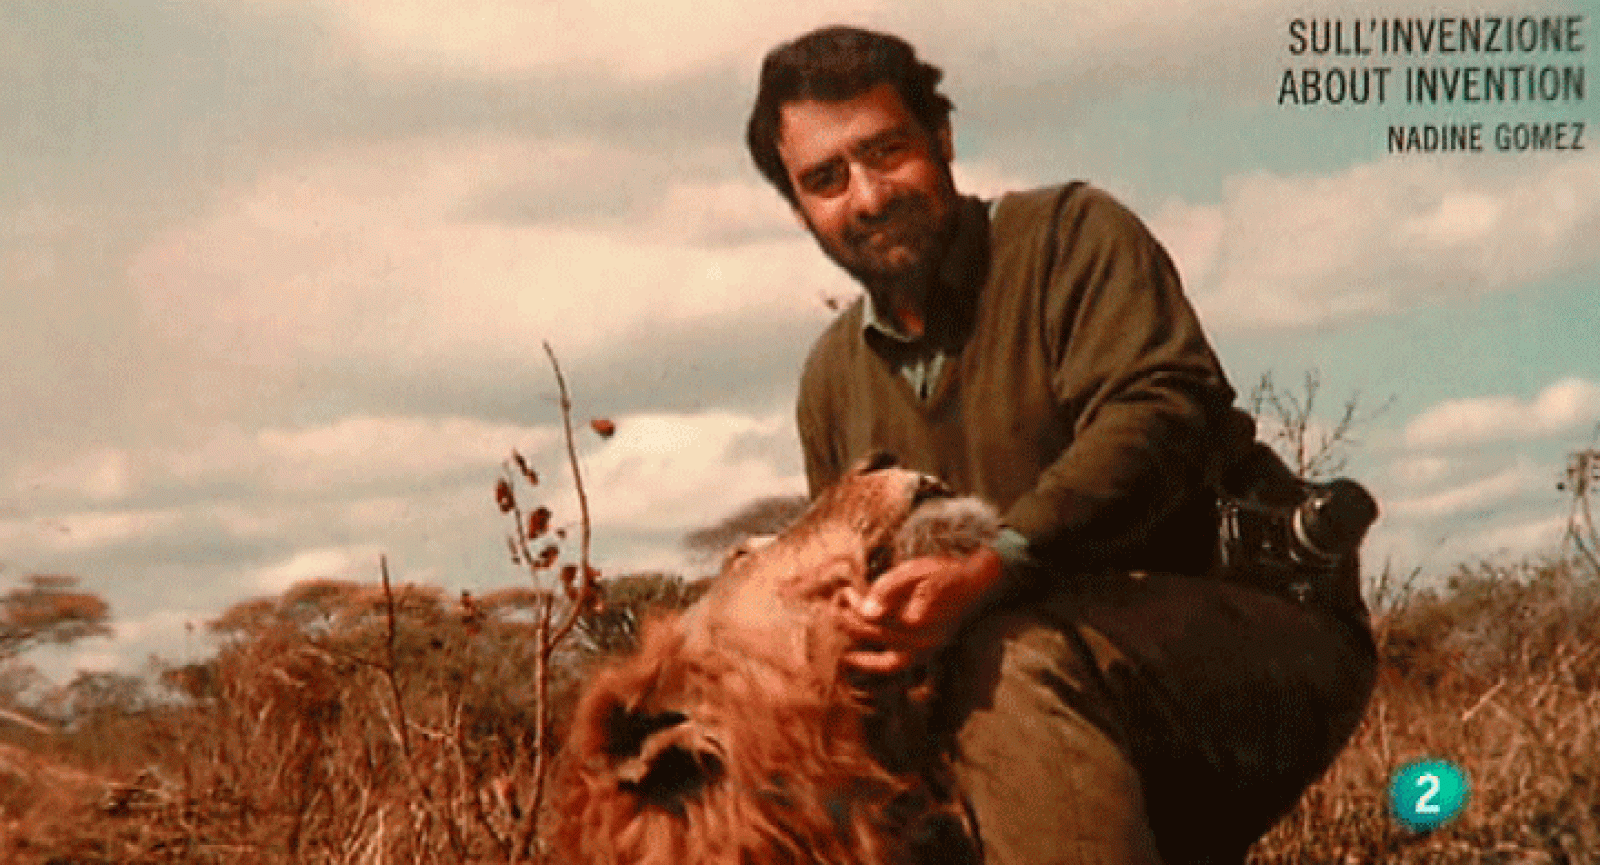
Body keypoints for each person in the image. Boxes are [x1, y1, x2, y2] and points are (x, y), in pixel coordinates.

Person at [747, 26, 1377, 865]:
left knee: (1009, 664)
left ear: (942, 139)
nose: (866, 196)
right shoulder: (831, 378)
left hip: (1249, 640)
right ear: (799, 207)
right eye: (825, 180)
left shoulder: (1069, 237)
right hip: (1023, 690)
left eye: (886, 151)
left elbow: (1159, 414)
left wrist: (992, 568)